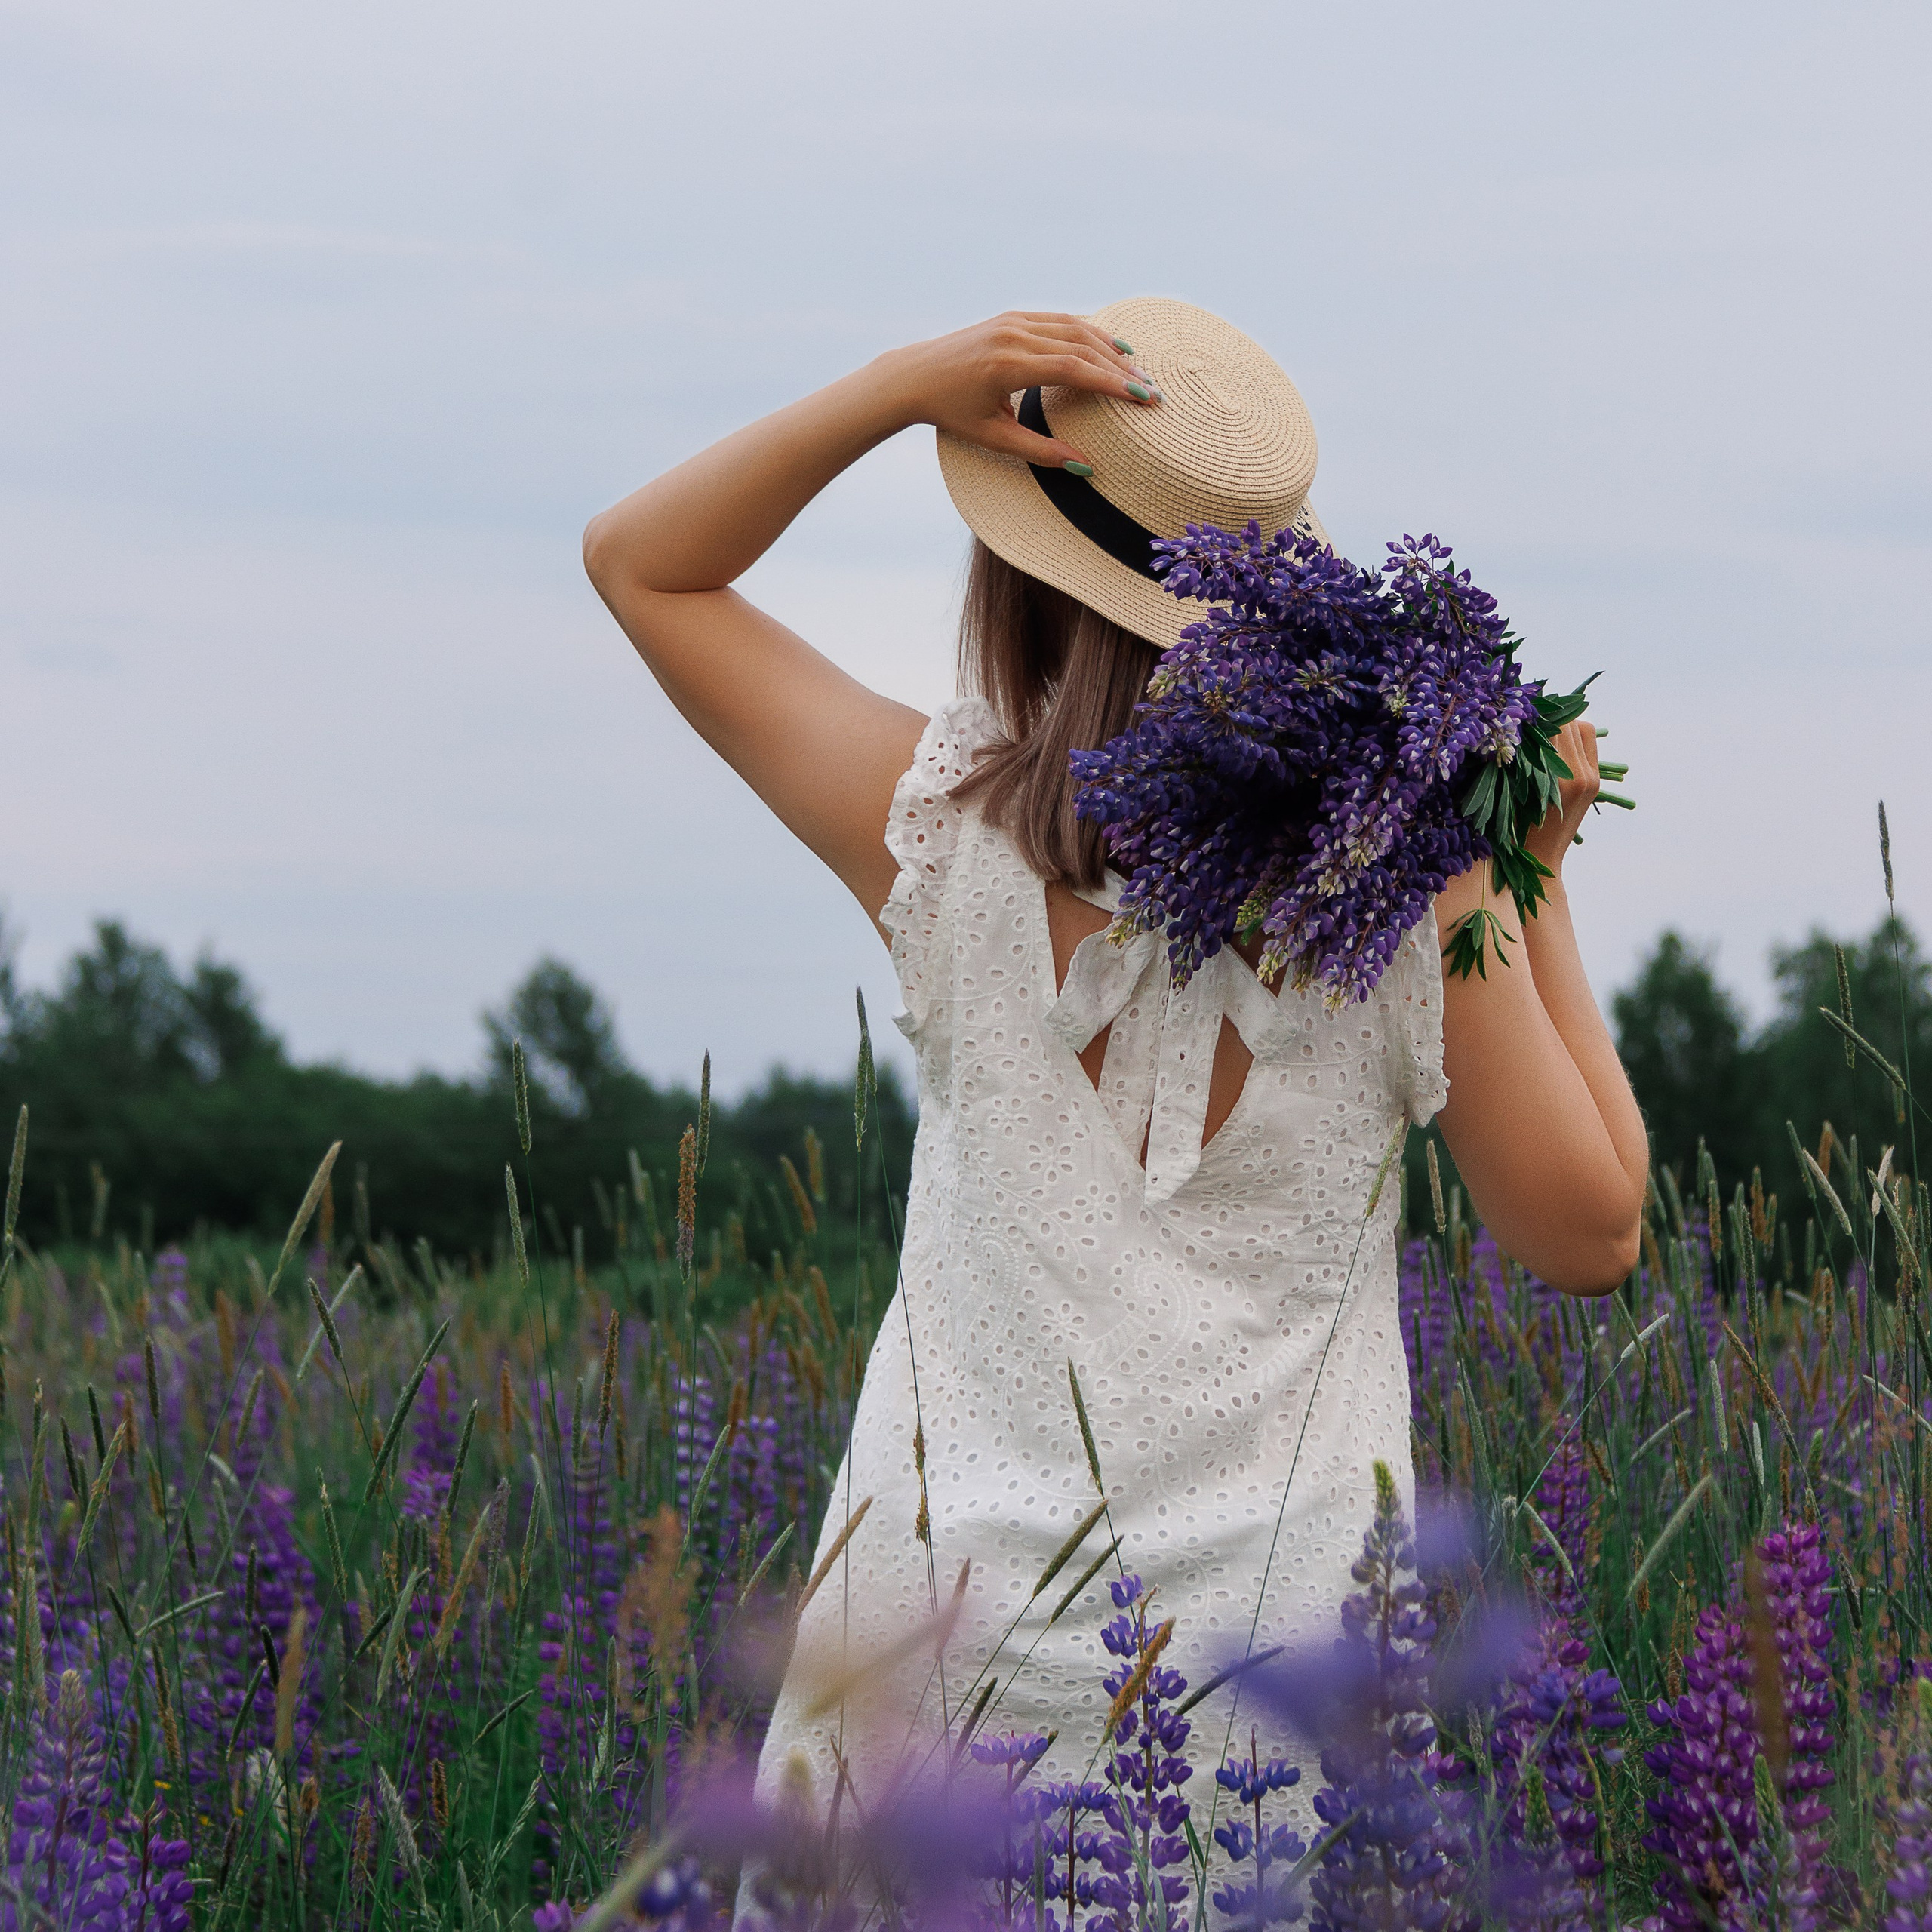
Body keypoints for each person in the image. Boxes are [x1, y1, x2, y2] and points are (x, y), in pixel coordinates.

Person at [583, 299, 1647, 1844]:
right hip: (1267, 1685)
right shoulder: (1404, 893)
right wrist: (1518, 874)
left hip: (923, 1641)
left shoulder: (941, 833)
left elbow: (641, 561)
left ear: (1015, 584)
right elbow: (1591, 1231)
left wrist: (896, 392)